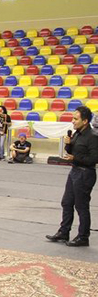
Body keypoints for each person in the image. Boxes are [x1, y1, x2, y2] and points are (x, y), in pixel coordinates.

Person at [46, 106, 98, 247]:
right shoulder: (77, 134)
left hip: (85, 173)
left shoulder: (93, 137)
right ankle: (64, 232)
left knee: (81, 206)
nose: (73, 121)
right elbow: (72, 152)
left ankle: (83, 236)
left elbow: (93, 159)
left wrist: (75, 157)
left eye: (76, 119)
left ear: (85, 121)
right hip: (75, 171)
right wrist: (68, 145)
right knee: (67, 202)